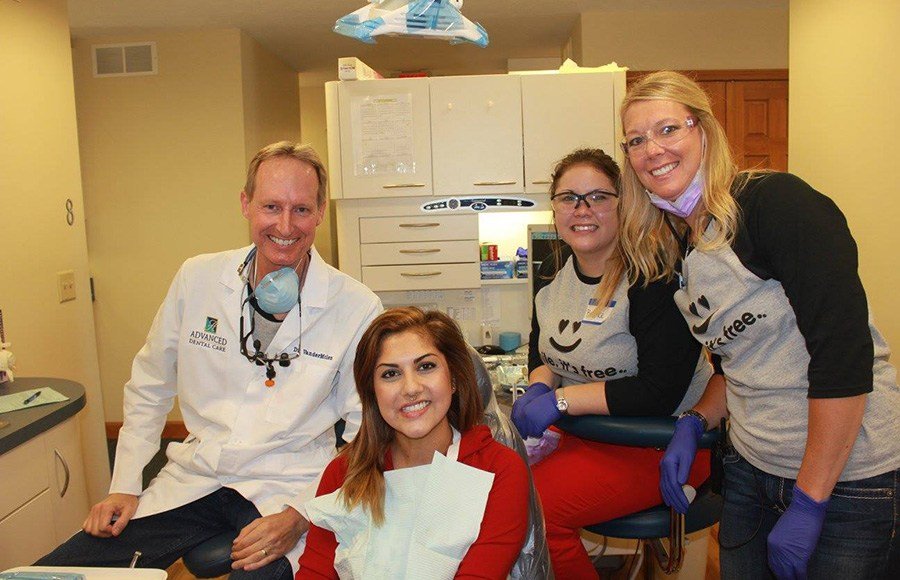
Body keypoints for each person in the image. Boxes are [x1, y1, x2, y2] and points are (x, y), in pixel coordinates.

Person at [37, 141, 383, 578]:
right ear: (245, 204)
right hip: (198, 475)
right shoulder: (197, 278)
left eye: (300, 209)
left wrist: (302, 515)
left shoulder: (356, 306)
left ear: (319, 214)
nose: (284, 225)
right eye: (271, 206)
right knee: (61, 570)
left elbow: (363, 435)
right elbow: (151, 384)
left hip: (289, 483)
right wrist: (124, 485)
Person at [618, 71, 900, 579]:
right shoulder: (683, 244)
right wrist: (696, 422)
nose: (652, 150)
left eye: (667, 129)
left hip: (848, 481)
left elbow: (844, 359)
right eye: (636, 140)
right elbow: (734, 363)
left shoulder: (776, 205)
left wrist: (811, 501)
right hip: (753, 471)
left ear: (704, 130)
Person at [510, 148, 713, 579]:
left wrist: (562, 401)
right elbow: (541, 350)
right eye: (569, 198)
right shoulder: (554, 269)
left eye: (598, 197)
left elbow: (659, 392)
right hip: (592, 439)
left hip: (660, 443)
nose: (582, 210)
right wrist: (540, 385)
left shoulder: (651, 276)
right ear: (554, 207)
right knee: (499, 488)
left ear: (625, 205)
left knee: (536, 510)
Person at [297, 307, 530, 579]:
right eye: (390, 374)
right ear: (372, 392)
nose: (410, 388)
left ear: (453, 378)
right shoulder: (343, 474)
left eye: (426, 367)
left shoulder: (498, 469)